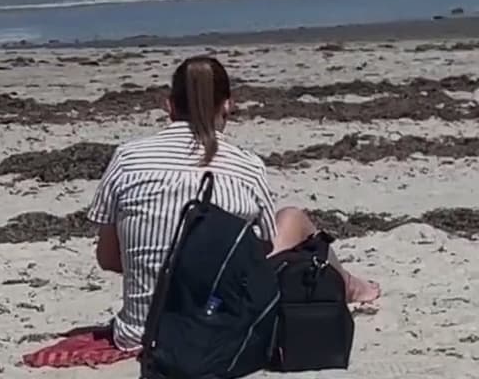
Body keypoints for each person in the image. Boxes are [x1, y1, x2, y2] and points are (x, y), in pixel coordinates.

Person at [86, 55, 380, 352]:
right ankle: (349, 285)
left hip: (138, 333)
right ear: (228, 105)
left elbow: (109, 258)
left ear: (169, 105)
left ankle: (350, 283)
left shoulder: (127, 158)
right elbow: (262, 255)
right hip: (220, 332)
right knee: (292, 219)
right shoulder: (246, 165)